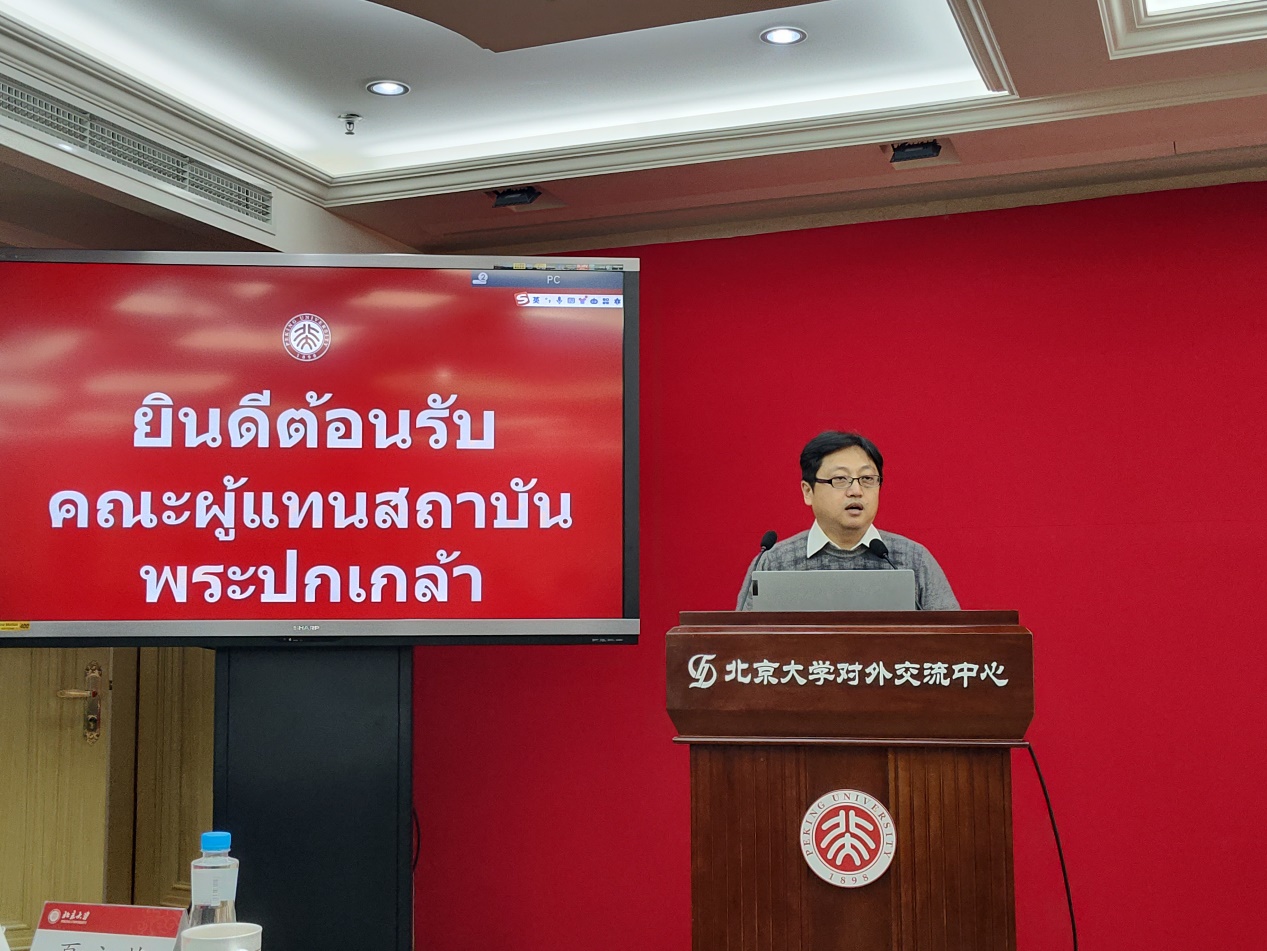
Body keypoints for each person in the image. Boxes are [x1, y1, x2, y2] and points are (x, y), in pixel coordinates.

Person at [736, 430, 959, 610]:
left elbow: (952, 641)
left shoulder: (913, 559)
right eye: (840, 479)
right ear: (808, 491)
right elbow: (743, 643)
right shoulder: (774, 563)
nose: (856, 491)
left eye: (867, 479)